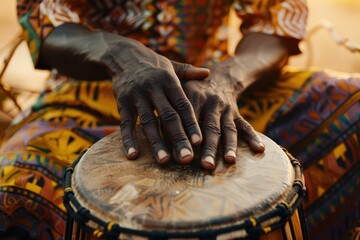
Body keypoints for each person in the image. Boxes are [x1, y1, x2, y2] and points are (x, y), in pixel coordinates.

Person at [0, 0, 359, 239]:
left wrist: (227, 77)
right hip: (90, 92)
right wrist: (118, 53)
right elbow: (45, 19)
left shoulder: (223, 82)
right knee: (13, 188)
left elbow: (276, 15)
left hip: (216, 88)